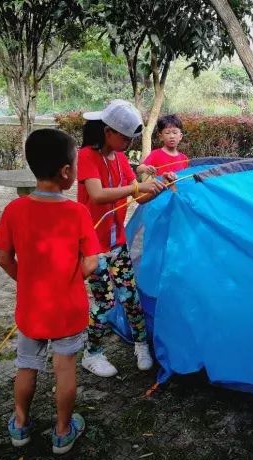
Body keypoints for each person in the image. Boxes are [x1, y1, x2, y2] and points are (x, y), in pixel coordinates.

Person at [0, 128, 101, 454]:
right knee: (64, 367)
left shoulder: (15, 210)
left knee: (26, 366)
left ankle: (21, 425)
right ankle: (63, 431)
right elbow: (92, 263)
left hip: (31, 308)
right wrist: (67, 282)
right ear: (66, 172)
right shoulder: (77, 213)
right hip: (67, 309)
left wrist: (27, 283)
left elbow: (3, 259)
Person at [77, 99, 171, 377]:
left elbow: (138, 196)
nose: (129, 143)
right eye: (126, 137)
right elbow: (97, 194)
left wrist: (159, 186)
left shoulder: (119, 159)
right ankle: (91, 353)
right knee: (104, 302)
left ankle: (141, 344)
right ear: (108, 132)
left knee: (131, 296)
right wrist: (136, 185)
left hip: (118, 244)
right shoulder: (86, 156)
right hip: (94, 246)